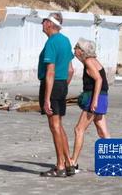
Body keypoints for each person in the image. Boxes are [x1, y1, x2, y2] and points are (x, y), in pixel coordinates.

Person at [38, 12, 75, 177]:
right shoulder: (66, 40)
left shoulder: (52, 42)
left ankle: (60, 165)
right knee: (59, 125)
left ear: (50, 24)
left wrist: (47, 98)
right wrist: (63, 87)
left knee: (54, 127)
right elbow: (70, 70)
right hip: (61, 85)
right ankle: (69, 163)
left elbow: (50, 72)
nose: (42, 24)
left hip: (52, 86)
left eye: (44, 21)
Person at [67, 38, 110, 175]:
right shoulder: (93, 61)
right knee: (102, 131)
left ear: (82, 51)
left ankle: (73, 162)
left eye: (76, 47)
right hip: (102, 97)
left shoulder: (88, 62)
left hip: (96, 98)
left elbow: (99, 79)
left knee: (79, 129)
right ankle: (114, 161)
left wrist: (94, 101)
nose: (74, 50)